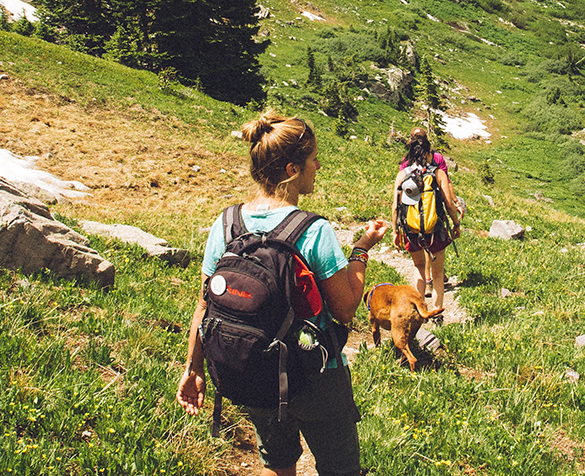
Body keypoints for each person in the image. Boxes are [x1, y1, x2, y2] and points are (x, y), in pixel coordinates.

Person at [177, 109, 388, 476]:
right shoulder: (312, 230)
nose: (318, 166)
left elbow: (203, 304)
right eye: (312, 159)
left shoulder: (226, 224)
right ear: (292, 170)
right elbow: (345, 309)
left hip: (253, 368)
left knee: (277, 462)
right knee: (340, 467)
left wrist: (193, 368)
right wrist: (361, 250)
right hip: (314, 373)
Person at [391, 129, 462, 310]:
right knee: (438, 275)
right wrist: (456, 224)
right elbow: (448, 204)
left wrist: (395, 231)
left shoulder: (402, 174)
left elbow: (395, 207)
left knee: (419, 268)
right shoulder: (438, 173)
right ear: (429, 152)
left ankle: (419, 311)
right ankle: (437, 313)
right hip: (435, 229)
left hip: (411, 230)